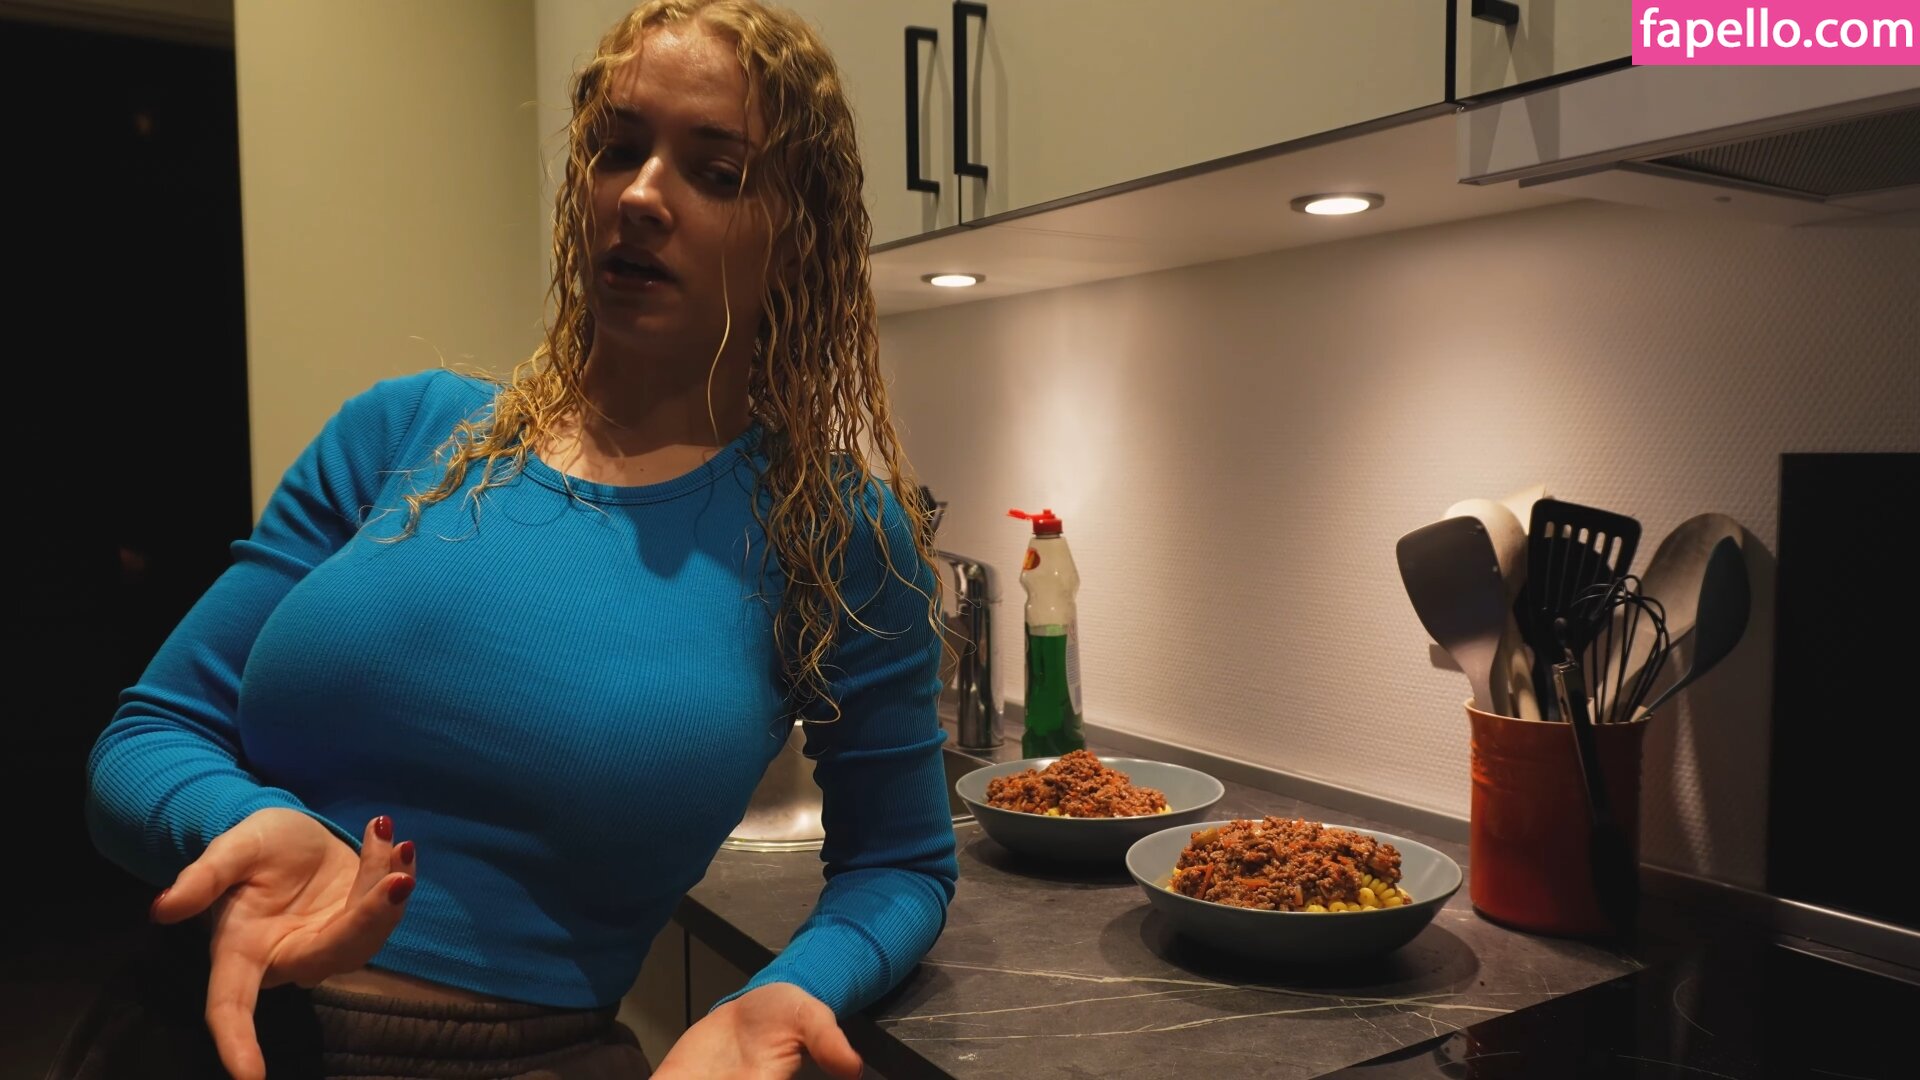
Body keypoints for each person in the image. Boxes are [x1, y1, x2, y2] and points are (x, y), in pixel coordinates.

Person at [63, 2, 957, 1077]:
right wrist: (235, 820)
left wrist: (783, 991)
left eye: (716, 172)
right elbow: (150, 734)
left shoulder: (836, 533)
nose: (640, 195)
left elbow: (900, 864)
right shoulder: (405, 431)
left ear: (798, 236)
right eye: (618, 149)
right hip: (202, 1027)